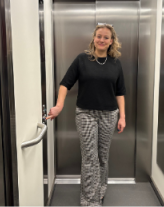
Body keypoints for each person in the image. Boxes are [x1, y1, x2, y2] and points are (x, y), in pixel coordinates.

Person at [47, 24, 126, 206]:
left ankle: (100, 189)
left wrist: (122, 116)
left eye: (106, 37)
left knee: (102, 156)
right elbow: (65, 83)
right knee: (90, 157)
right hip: (86, 114)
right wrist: (59, 106)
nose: (102, 40)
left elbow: (120, 92)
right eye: (99, 36)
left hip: (109, 115)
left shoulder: (116, 63)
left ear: (111, 41)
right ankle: (89, 200)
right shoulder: (82, 59)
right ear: (94, 38)